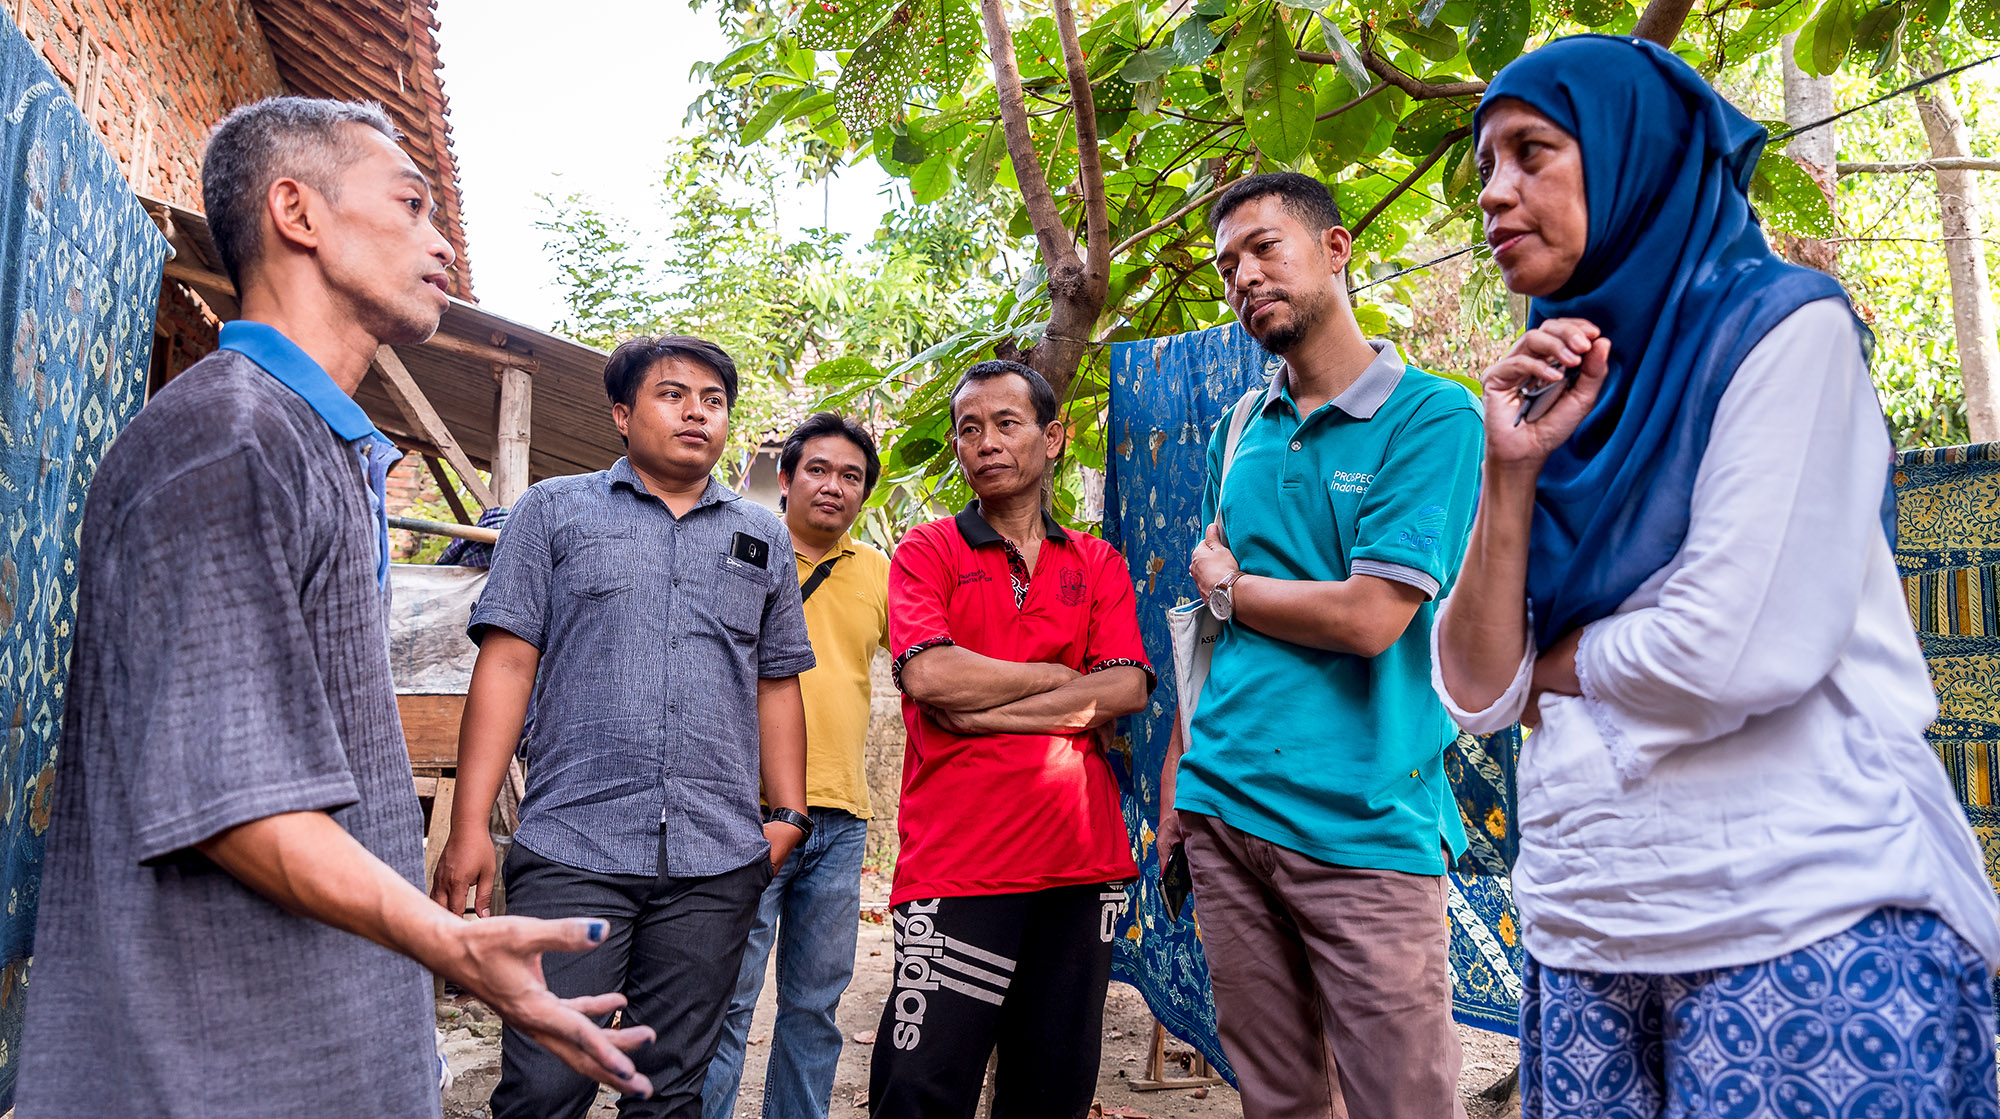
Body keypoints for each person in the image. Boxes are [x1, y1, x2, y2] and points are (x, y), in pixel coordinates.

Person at [15, 98, 654, 1119]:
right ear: (296, 212)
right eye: (411, 204)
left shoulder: (313, 443)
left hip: (315, 1035)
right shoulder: (229, 440)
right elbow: (235, 802)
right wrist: (450, 943)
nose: (439, 239)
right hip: (214, 1060)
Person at [1432, 35, 2000, 1117]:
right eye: (1482, 171)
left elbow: (1733, 648)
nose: (1495, 195)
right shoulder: (1547, 394)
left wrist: (1550, 666)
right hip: (1587, 923)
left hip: (1800, 918)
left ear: (1632, 155)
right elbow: (1471, 692)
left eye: (1530, 154)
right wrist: (1507, 479)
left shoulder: (1780, 330)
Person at [1154, 171, 1484, 1119]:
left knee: (1404, 1103)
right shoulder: (1238, 428)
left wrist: (1229, 582)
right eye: (1228, 267)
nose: (1244, 277)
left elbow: (1370, 615)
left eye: (1265, 248)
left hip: (1364, 825)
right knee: (1281, 1102)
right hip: (1224, 807)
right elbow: (1211, 634)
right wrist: (1183, 779)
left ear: (1336, 249)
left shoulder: (1434, 415)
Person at [432, 334, 815, 1119]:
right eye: (674, 394)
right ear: (621, 413)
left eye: (714, 401)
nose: (697, 413)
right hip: (576, 843)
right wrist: (469, 823)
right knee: (546, 1079)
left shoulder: (763, 535)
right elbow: (505, 666)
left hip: (715, 857)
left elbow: (777, 679)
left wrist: (788, 813)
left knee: (669, 1088)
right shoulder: (553, 511)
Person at [869, 360, 1153, 1119]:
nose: (985, 442)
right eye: (969, 428)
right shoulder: (928, 551)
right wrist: (1064, 678)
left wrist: (988, 707)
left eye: (1007, 423)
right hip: (958, 862)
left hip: (1080, 864)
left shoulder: (1097, 561)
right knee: (921, 1088)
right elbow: (930, 677)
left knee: (1051, 1089)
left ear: (1053, 437)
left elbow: (1126, 686)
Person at [701, 413, 889, 1119]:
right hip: (742, 815)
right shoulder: (734, 548)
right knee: (725, 1000)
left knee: (814, 1008)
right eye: (817, 469)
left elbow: (925, 668)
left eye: (850, 476)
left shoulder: (879, 572)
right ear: (784, 478)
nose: (833, 487)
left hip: (840, 822)